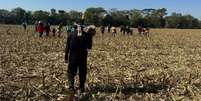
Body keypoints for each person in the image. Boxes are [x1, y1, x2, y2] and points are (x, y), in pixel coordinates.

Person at [65, 24, 93, 93]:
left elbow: (67, 47)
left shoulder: (70, 34)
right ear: (83, 28)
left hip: (72, 57)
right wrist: (90, 36)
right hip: (82, 57)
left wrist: (66, 57)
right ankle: (81, 87)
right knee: (82, 72)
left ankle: (71, 86)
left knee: (71, 72)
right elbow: (89, 47)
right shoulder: (87, 35)